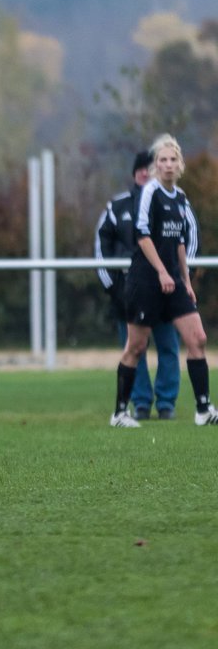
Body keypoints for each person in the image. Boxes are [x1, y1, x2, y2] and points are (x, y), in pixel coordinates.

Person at [110, 134, 218, 428]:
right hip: (146, 280)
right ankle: (120, 412)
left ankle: (203, 409)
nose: (168, 165)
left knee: (198, 338)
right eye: (162, 160)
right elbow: (142, 236)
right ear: (155, 166)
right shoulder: (149, 193)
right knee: (136, 346)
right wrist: (160, 271)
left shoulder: (181, 198)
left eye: (173, 159)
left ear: (180, 164)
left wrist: (186, 280)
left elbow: (180, 242)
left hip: (173, 282)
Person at [96, 151, 181, 420]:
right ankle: (139, 403)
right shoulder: (118, 206)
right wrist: (113, 285)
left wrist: (180, 277)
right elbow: (102, 246)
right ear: (135, 173)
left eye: (149, 168)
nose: (146, 173)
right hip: (132, 290)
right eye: (141, 169)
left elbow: (185, 240)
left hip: (166, 287)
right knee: (135, 347)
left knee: (169, 345)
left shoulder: (175, 201)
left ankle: (166, 402)